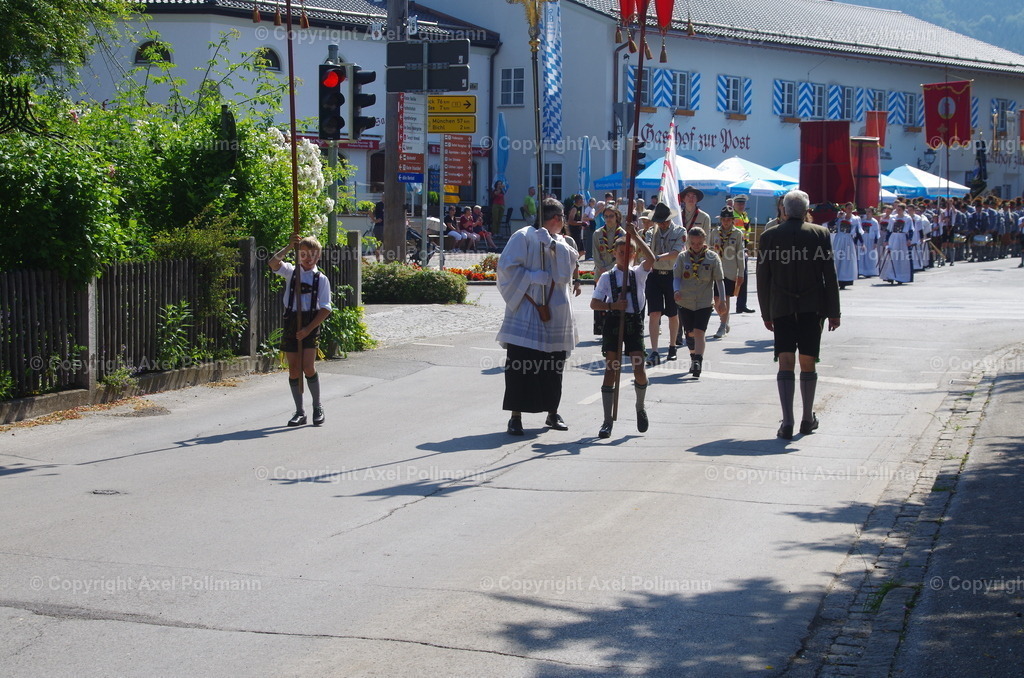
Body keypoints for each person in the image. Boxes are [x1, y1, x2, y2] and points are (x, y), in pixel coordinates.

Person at [757, 190, 841, 440]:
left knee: (785, 362)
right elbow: (830, 275)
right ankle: (807, 418)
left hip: (781, 306)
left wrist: (766, 312)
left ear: (783, 210)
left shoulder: (769, 235)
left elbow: (763, 277)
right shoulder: (820, 234)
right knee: (807, 361)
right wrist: (834, 311)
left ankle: (788, 423)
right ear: (806, 211)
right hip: (811, 306)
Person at [497, 198, 581, 435]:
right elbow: (506, 268)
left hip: (556, 313)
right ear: (557, 218)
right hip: (528, 308)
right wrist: (532, 276)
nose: (563, 222)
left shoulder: (564, 240)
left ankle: (552, 413)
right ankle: (516, 417)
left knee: (553, 366)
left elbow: (570, 267)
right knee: (521, 364)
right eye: (562, 218)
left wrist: (555, 246)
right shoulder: (523, 236)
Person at [591, 223, 657, 438]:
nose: (624, 255)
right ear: (615, 254)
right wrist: (612, 306)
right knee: (611, 369)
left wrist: (635, 235)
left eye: (628, 252)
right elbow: (594, 303)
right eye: (621, 252)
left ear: (633, 254)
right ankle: (607, 420)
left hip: (633, 323)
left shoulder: (638, 273)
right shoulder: (606, 277)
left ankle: (640, 406)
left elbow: (652, 259)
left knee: (638, 367)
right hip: (613, 322)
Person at [268, 233, 333, 427]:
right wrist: (289, 246)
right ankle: (299, 411)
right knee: (294, 369)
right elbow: (272, 263)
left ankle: (317, 407)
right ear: (298, 255)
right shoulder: (290, 271)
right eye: (303, 254)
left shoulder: (321, 279)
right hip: (291, 321)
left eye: (312, 254)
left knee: (308, 367)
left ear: (318, 256)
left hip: (310, 322)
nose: (308, 258)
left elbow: (325, 309)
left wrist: (308, 329)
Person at [674, 226, 726, 378]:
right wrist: (676, 291)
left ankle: (698, 361)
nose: (696, 246)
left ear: (704, 241)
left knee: (699, 332)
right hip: (686, 301)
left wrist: (722, 300)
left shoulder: (712, 257)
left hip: (704, 302)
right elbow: (676, 277)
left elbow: (719, 280)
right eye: (693, 243)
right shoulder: (682, 257)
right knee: (689, 333)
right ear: (689, 241)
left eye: (699, 243)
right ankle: (693, 356)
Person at [643, 201, 684, 366]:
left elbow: (676, 252)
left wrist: (657, 257)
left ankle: (672, 346)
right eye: (659, 221)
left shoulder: (680, 231)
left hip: (672, 276)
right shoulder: (651, 232)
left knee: (673, 314)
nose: (662, 224)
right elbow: (645, 249)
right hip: (654, 275)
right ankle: (653, 351)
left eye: (664, 221)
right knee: (654, 313)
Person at [708, 208, 745, 339]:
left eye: (728, 220)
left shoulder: (737, 234)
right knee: (716, 300)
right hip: (715, 269)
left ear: (732, 220)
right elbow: (709, 250)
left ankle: (722, 325)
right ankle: (725, 319)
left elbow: (740, 254)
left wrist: (741, 273)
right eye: (723, 219)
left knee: (726, 298)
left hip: (730, 270)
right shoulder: (714, 232)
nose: (726, 222)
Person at [592, 205, 626, 335]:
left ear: (617, 217)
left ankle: (615, 327)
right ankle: (601, 329)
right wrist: (601, 268)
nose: (608, 219)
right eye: (605, 216)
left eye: (611, 216)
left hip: (616, 271)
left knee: (614, 300)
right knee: (599, 300)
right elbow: (595, 253)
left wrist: (608, 268)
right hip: (600, 272)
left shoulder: (623, 234)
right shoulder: (598, 233)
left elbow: (622, 255)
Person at [730, 195, 756, 314]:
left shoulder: (744, 215)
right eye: (739, 203)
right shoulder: (732, 215)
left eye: (743, 204)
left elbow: (746, 233)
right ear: (734, 204)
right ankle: (719, 301)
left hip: (743, 249)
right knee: (726, 277)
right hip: (732, 251)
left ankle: (741, 305)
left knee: (743, 278)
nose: (741, 205)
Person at [880, 203, 913, 284]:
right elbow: (889, 230)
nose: (898, 211)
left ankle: (900, 276)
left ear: (903, 210)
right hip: (893, 237)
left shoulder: (907, 218)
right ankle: (890, 276)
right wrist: (886, 240)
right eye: (897, 209)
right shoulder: (892, 218)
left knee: (901, 257)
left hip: (902, 238)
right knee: (892, 256)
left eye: (900, 210)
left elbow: (911, 230)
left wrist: (909, 239)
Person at [831, 202, 861, 288]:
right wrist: (837, 218)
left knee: (847, 260)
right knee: (837, 258)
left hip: (848, 240)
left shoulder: (855, 219)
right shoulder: (840, 217)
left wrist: (860, 243)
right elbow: (831, 225)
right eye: (848, 208)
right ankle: (836, 278)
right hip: (839, 239)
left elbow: (858, 232)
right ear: (845, 208)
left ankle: (845, 280)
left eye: (851, 208)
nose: (850, 210)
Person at [858, 207, 880, 277]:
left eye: (869, 212)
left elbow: (877, 233)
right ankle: (861, 271)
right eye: (867, 212)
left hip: (870, 240)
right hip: (863, 238)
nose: (867, 213)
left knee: (870, 255)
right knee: (862, 255)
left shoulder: (874, 222)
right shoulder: (862, 220)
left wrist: (875, 243)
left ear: (872, 213)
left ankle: (870, 271)